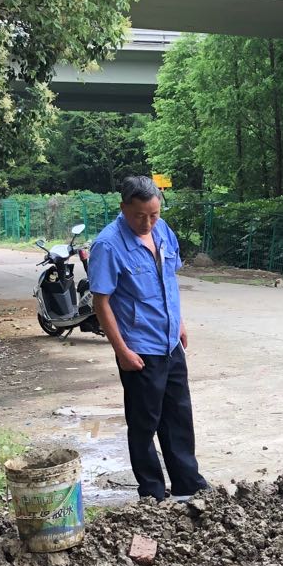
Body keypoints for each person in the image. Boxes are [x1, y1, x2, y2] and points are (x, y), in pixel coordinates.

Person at [88, 176, 209, 501]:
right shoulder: (108, 245)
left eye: (153, 214)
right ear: (123, 207)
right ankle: (152, 493)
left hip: (170, 343)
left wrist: (179, 322)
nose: (147, 222)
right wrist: (122, 351)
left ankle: (188, 484)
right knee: (145, 425)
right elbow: (101, 302)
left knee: (178, 416)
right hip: (139, 350)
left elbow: (168, 280)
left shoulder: (162, 231)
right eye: (140, 215)